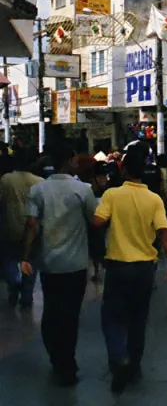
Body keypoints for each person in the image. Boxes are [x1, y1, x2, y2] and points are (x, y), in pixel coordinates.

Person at [94, 147, 167, 393]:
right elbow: (165, 234)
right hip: (144, 268)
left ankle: (119, 356)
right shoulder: (154, 199)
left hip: (118, 266)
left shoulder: (112, 194)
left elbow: (97, 222)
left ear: (123, 169)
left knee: (112, 316)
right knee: (138, 318)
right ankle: (134, 365)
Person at [22, 142, 97, 386]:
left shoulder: (38, 190)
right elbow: (94, 221)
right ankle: (67, 360)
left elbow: (32, 225)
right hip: (75, 264)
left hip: (49, 263)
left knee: (52, 311)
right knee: (71, 315)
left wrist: (25, 256)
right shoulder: (83, 189)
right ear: (72, 159)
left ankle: (57, 356)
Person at [0, 146, 42, 307]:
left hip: (10, 227)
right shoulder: (39, 182)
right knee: (31, 261)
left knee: (9, 260)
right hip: (33, 230)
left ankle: (14, 285)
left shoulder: (6, 180)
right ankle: (26, 295)